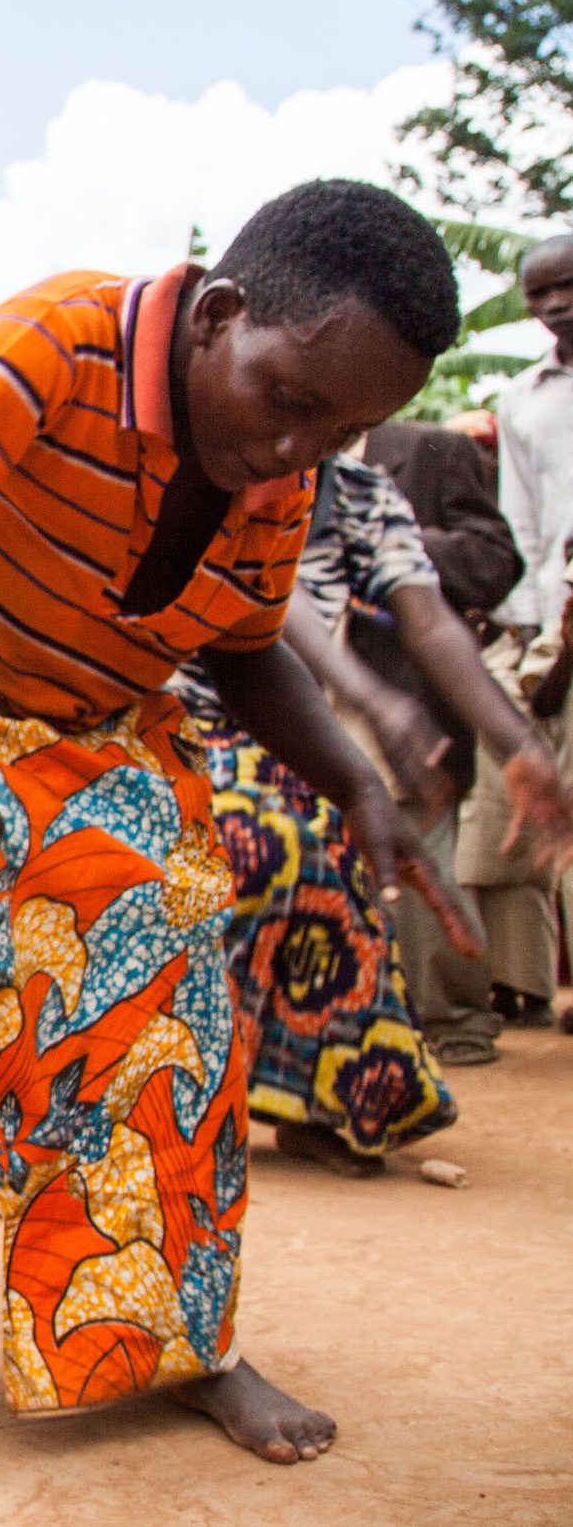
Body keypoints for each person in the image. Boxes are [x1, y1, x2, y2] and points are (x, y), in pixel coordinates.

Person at [0, 180, 470, 1464]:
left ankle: (181, 1341)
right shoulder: (61, 338)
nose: (296, 449)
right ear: (215, 313)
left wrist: (359, 783)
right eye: (289, 399)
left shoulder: (280, 473)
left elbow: (250, 655)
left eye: (341, 430)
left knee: (171, 1010)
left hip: (102, 725)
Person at [180, 448, 572, 1175]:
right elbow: (272, 608)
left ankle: (325, 1099)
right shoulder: (216, 461)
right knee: (270, 843)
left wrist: (516, 743)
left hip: (280, 743)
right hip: (164, 729)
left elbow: (431, 625)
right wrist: (376, 705)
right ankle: (184, 1088)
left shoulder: (361, 494)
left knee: (346, 868)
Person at [354, 421, 527, 1063]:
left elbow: (494, 561)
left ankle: (456, 1017)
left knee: (422, 863)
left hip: (409, 700)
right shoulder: (275, 455)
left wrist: (398, 548)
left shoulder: (431, 450)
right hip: (313, 697)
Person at [475, 232, 573, 1030]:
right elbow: (523, 529)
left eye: (566, 286)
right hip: (559, 627)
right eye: (539, 294)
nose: (555, 306)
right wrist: (534, 636)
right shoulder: (523, 400)